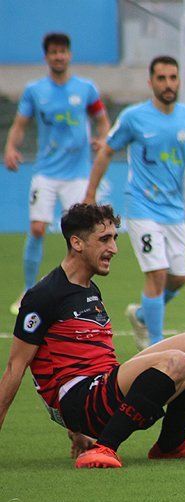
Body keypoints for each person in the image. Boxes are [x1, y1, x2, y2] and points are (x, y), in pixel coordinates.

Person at [0, 203, 185, 469]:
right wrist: (72, 424)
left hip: (104, 387)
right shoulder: (44, 295)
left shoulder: (89, 289)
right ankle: (105, 446)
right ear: (77, 243)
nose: (114, 249)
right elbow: (16, 366)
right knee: (178, 362)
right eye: (104, 239)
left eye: (115, 239)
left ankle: (171, 443)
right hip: (81, 400)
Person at [85, 55, 185, 351]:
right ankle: (156, 347)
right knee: (157, 273)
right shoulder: (134, 117)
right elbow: (107, 151)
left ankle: (143, 315)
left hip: (174, 210)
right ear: (151, 82)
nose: (168, 84)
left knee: (179, 277)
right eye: (162, 78)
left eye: (173, 77)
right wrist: (90, 193)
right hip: (142, 206)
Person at [4, 33, 110, 316]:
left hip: (78, 175)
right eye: (53, 52)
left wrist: (103, 139)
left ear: (69, 55)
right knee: (37, 228)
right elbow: (20, 123)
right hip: (46, 173)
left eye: (63, 51)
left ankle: (82, 290)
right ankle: (28, 290)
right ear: (46, 57)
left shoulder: (85, 89)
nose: (59, 56)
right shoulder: (35, 91)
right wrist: (11, 147)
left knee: (84, 234)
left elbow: (101, 120)